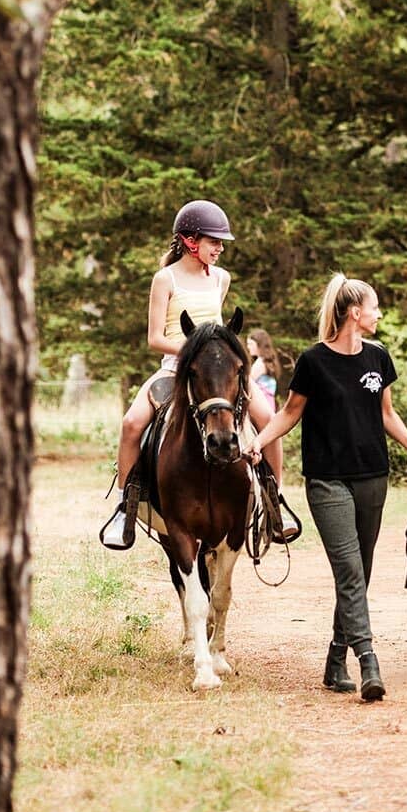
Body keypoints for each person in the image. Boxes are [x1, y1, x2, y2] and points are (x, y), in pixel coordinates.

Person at [250, 273, 407, 702]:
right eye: (374, 306)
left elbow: (387, 414)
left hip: (373, 476)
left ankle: (335, 659)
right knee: (350, 571)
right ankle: (368, 661)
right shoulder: (313, 361)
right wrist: (258, 441)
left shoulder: (378, 358)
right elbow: (290, 413)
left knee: (361, 572)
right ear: (355, 312)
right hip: (327, 480)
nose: (379, 313)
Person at [99, 200, 293, 551]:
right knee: (131, 424)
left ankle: (274, 500)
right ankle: (124, 509)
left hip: (218, 370)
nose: (220, 249)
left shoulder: (221, 278)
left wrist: (215, 355)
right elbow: (155, 338)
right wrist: (194, 352)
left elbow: (216, 330)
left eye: (220, 243)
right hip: (177, 368)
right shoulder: (166, 278)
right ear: (191, 241)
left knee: (270, 420)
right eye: (214, 241)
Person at [247, 327, 281, 414]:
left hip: (261, 406)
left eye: (250, 344)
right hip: (269, 404)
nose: (248, 347)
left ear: (259, 344)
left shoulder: (260, 364)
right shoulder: (267, 362)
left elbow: (247, 383)